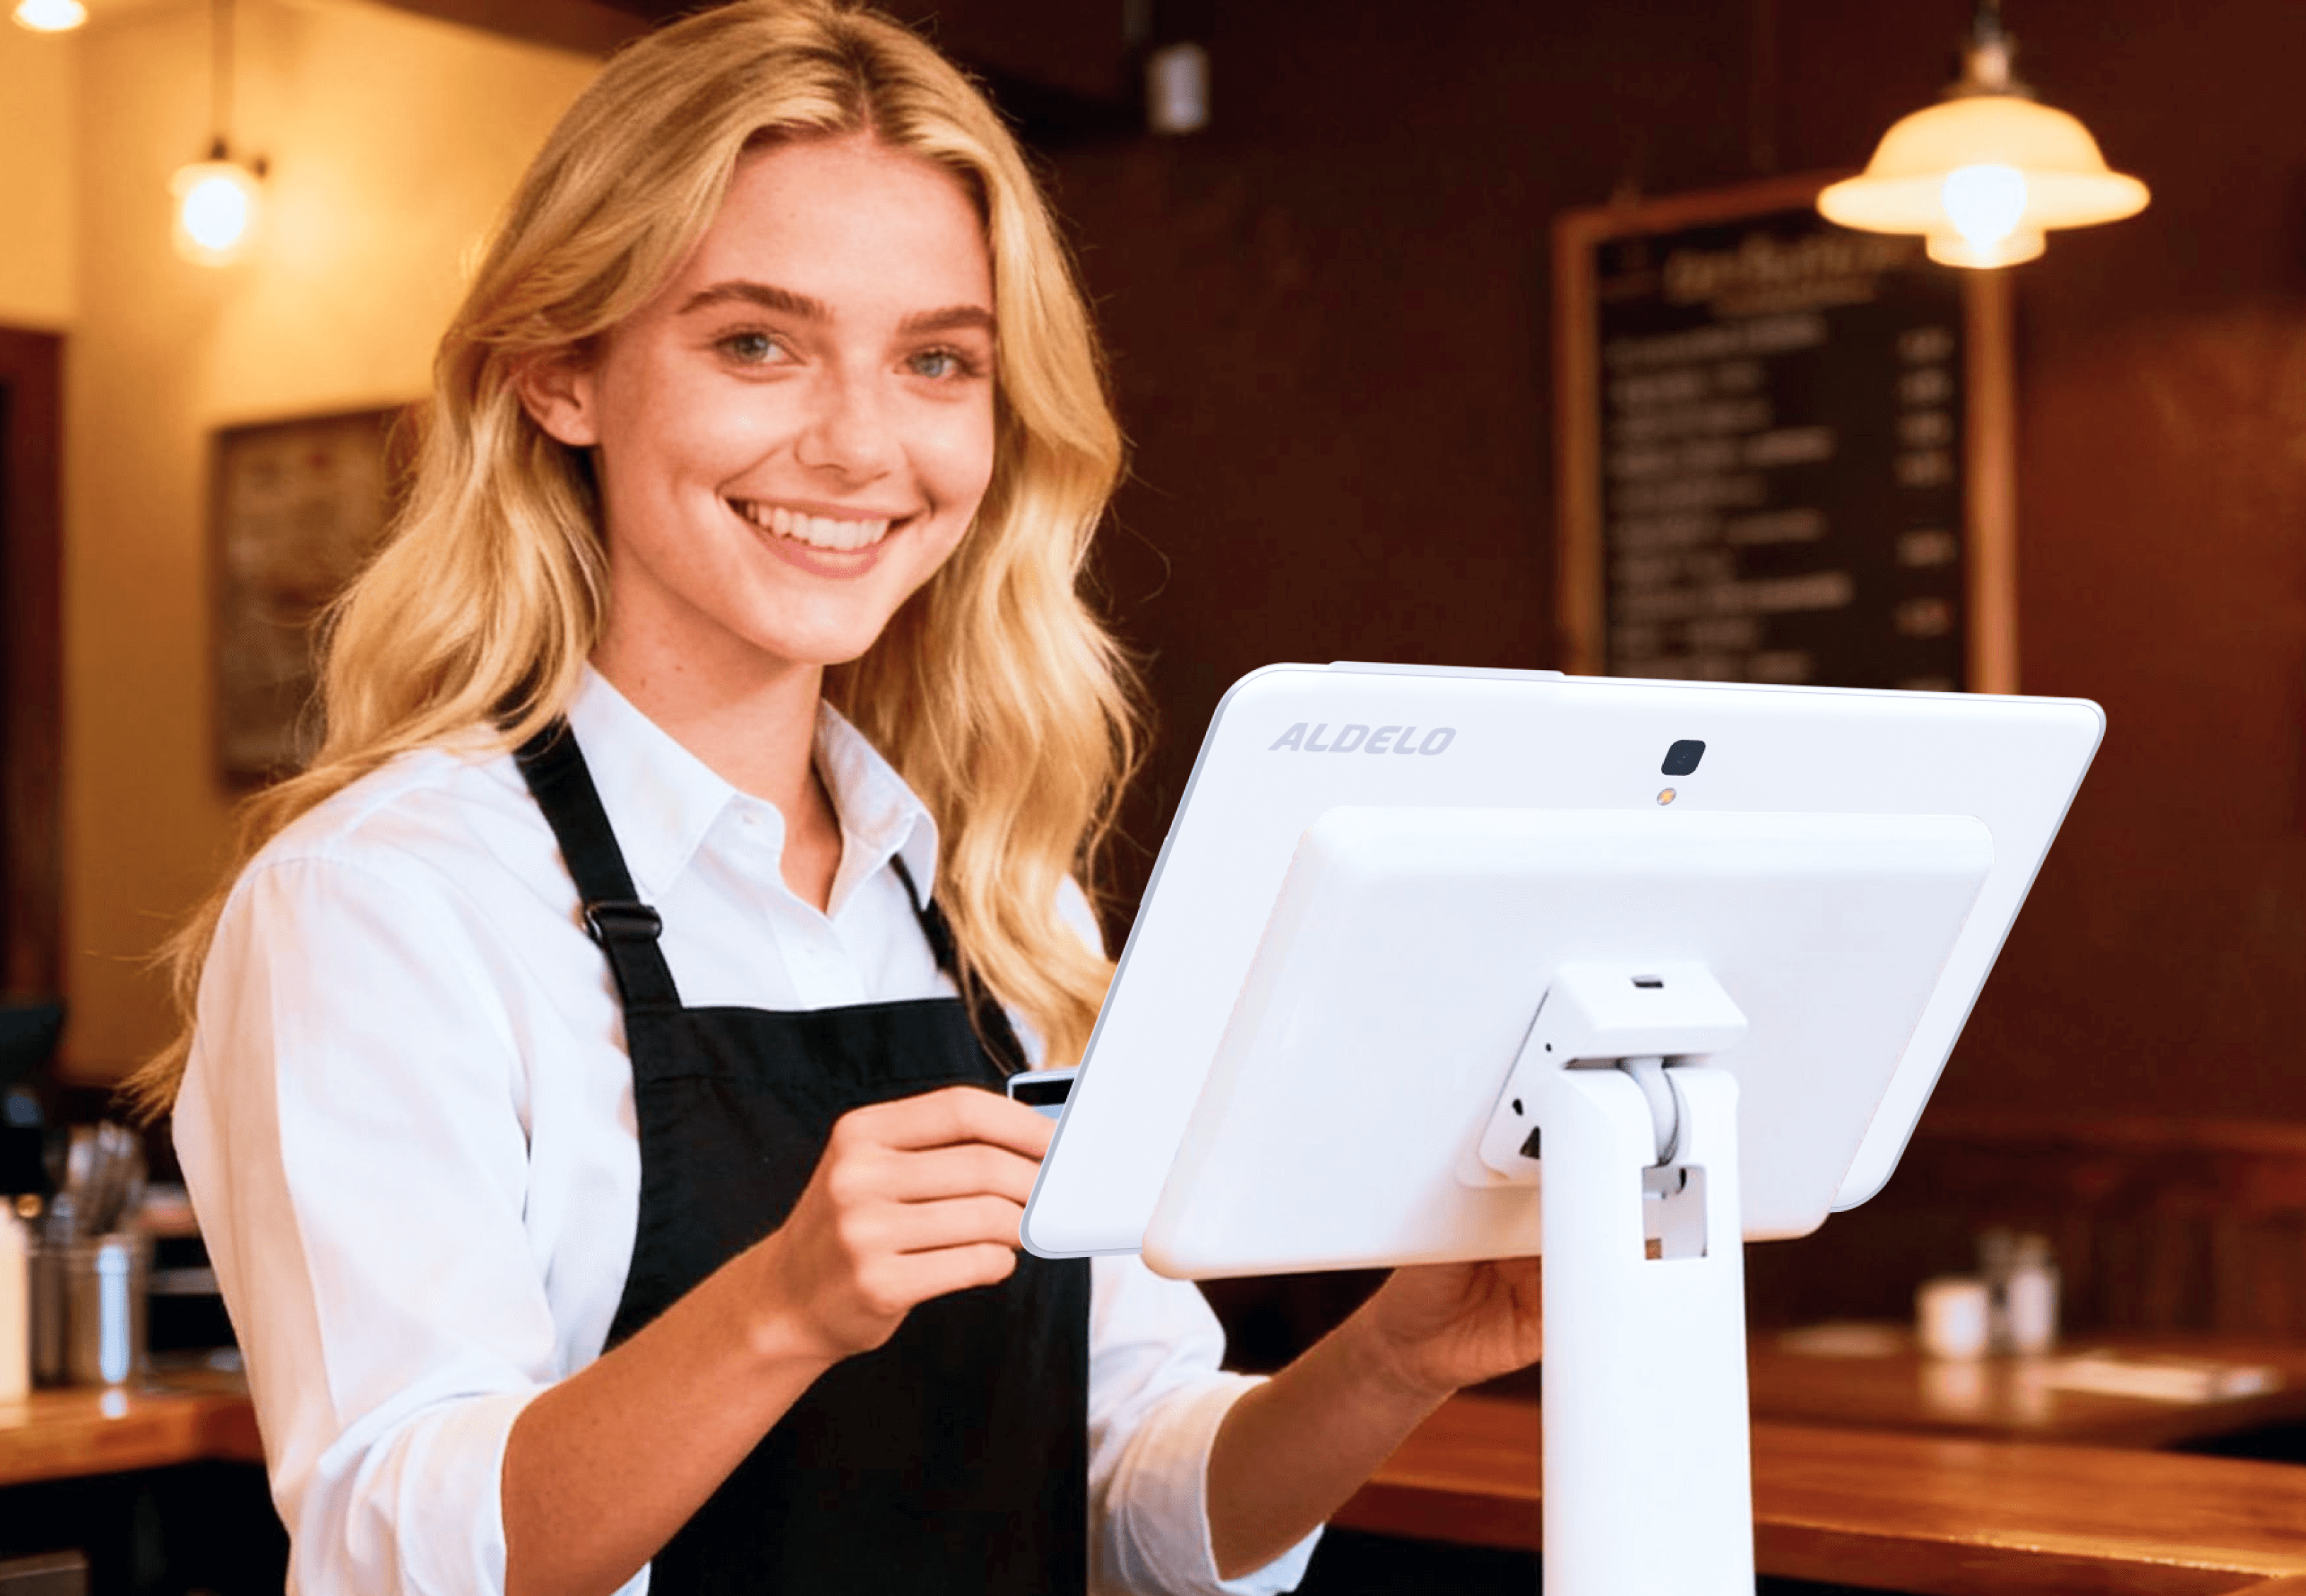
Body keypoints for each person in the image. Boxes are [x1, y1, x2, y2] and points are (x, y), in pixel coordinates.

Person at [131, 4, 1543, 1592]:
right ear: (558, 375)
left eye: (937, 361)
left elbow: (1126, 1500)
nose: (862, 445)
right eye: (756, 343)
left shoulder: (1003, 904)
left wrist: (1393, 1358)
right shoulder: (386, 903)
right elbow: (403, 1551)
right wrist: (778, 1307)